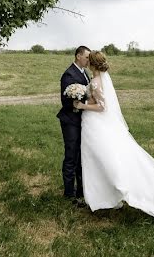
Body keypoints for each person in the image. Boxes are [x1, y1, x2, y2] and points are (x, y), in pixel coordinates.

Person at [74, 50, 154, 224]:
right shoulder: (98, 81)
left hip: (97, 124)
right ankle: (104, 197)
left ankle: (112, 194)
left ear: (92, 64)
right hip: (95, 124)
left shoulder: (96, 82)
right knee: (99, 161)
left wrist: (82, 106)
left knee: (103, 160)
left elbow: (102, 107)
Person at [57, 45, 91, 203]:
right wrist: (77, 103)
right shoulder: (68, 74)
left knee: (81, 156)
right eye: (86, 57)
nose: (88, 60)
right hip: (70, 121)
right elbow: (65, 101)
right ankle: (69, 193)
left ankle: (81, 191)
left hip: (82, 120)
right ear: (78, 56)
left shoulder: (85, 74)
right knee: (71, 155)